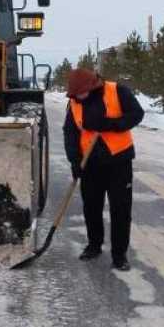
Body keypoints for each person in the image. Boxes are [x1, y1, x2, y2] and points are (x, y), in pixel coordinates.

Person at [63, 67, 144, 271]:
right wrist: (74, 160)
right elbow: (70, 133)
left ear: (92, 85)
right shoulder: (74, 102)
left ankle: (119, 255)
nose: (78, 98)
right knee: (91, 207)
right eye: (75, 95)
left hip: (118, 162)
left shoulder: (118, 91)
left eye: (80, 93)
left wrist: (112, 124)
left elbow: (137, 114)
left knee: (120, 209)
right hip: (89, 165)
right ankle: (94, 245)